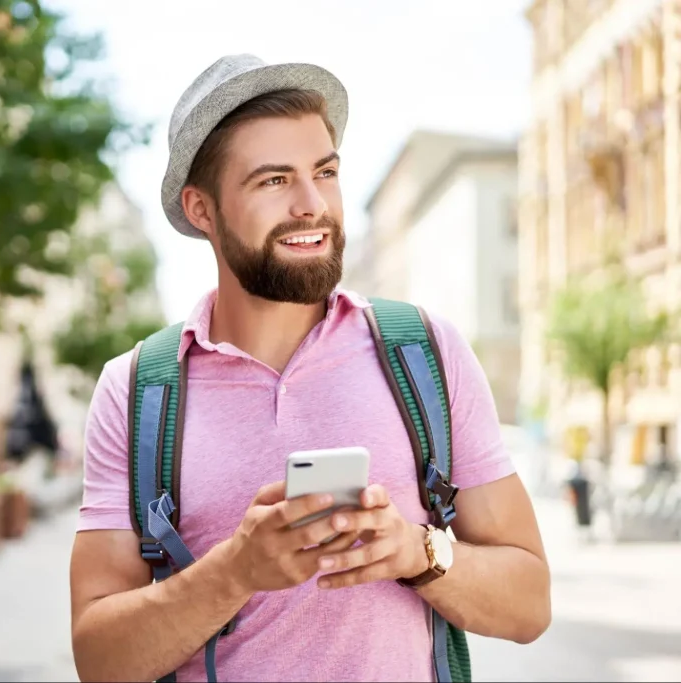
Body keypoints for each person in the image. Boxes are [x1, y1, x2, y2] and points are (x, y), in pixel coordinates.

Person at [69, 54, 551, 683]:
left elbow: (530, 606)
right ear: (201, 209)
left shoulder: (425, 352)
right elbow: (99, 662)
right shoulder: (136, 389)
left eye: (324, 172)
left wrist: (415, 549)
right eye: (273, 181)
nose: (311, 205)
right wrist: (235, 570)